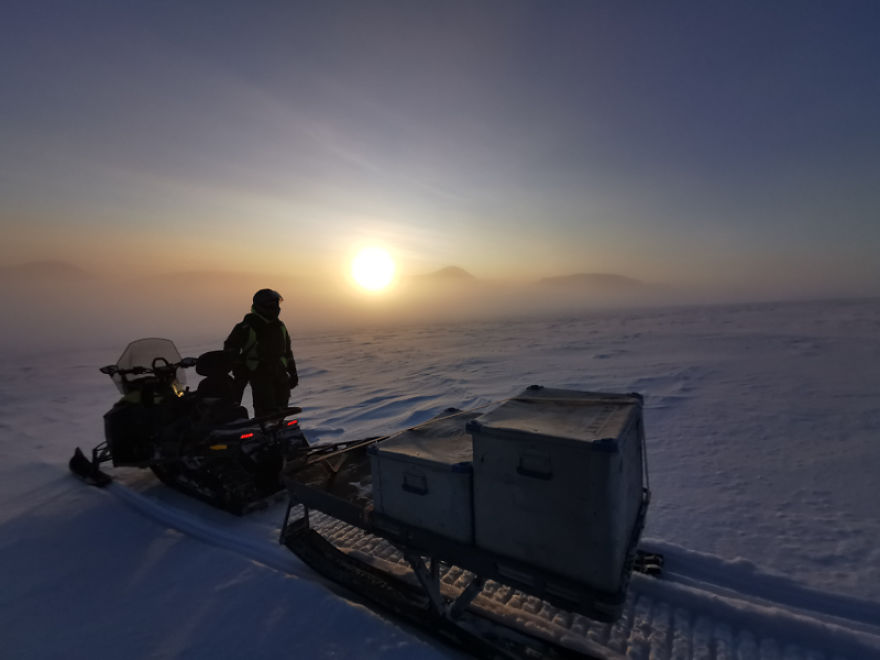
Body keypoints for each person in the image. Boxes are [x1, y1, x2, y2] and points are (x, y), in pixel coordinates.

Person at [224, 288, 299, 417]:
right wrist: (239, 368)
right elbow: (230, 349)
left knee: (281, 410)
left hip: (280, 373)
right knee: (266, 411)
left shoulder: (279, 326)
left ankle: (279, 434)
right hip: (260, 373)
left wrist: (292, 372)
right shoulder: (247, 326)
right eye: (272, 305)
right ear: (263, 306)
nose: (276, 308)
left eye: (277, 304)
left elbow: (287, 351)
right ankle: (264, 434)